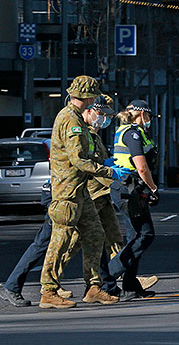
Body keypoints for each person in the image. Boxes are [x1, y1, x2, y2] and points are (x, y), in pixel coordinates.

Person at [39, 76, 131, 309]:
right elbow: (78, 159)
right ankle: (48, 291)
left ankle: (93, 287)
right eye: (93, 97)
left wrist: (105, 165)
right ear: (88, 97)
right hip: (67, 192)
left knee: (95, 234)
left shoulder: (76, 118)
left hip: (80, 191)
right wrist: (109, 172)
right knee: (59, 241)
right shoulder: (71, 120)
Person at [107, 100, 160, 300]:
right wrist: (153, 188)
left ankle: (129, 286)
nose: (150, 120)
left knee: (135, 236)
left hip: (131, 189)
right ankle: (107, 278)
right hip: (128, 189)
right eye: (149, 116)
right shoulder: (133, 134)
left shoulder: (131, 131)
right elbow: (142, 167)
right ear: (141, 114)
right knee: (144, 235)